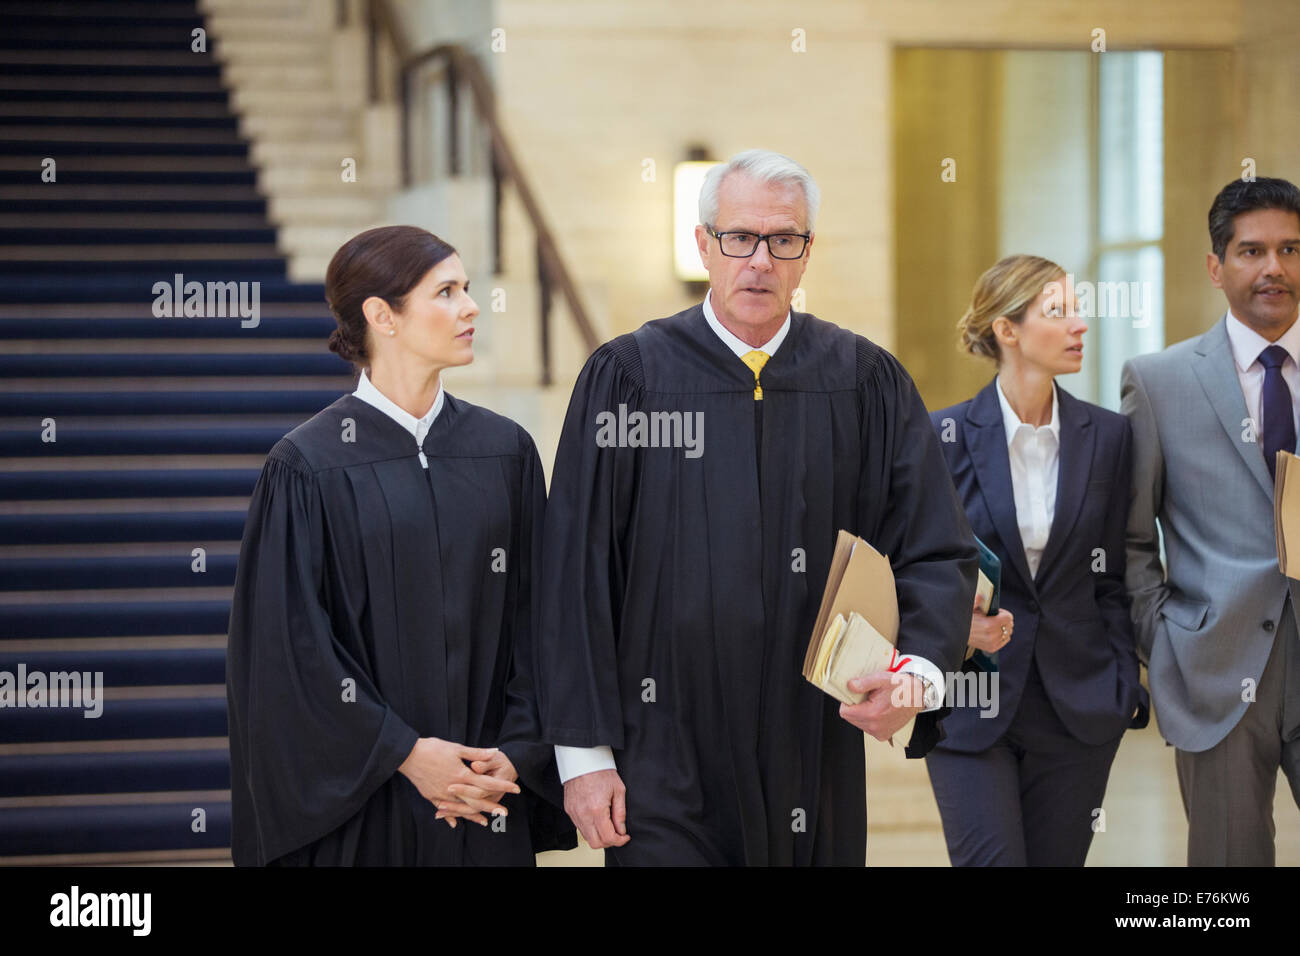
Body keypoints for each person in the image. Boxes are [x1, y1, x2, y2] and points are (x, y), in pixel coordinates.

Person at [535, 149, 978, 866]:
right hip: (664, 746)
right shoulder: (629, 377)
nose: (760, 261)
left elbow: (936, 546)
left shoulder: (864, 382)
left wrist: (916, 672)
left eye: (784, 241)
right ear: (704, 244)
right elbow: (575, 568)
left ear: (807, 254)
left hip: (812, 743)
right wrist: (584, 754)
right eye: (739, 238)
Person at [226, 225, 573, 865]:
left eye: (468, 289)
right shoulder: (306, 466)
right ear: (381, 315)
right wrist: (406, 755)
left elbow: (543, 619)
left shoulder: (506, 452)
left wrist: (516, 750)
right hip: (365, 807)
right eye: (446, 292)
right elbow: (288, 646)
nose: (472, 307)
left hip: (485, 796)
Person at [925, 255, 1148, 866]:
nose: (1080, 324)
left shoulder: (1107, 437)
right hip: (970, 702)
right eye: (1059, 311)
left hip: (1079, 707)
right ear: (1007, 328)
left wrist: (1124, 682)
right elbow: (912, 569)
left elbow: (1112, 575)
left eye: (1078, 310)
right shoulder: (939, 437)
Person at [1123, 176, 1300, 866]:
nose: (1274, 268)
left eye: (1290, 249)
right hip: (1216, 669)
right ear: (1216, 267)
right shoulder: (1160, 381)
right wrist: (1166, 644)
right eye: (1252, 251)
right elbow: (1132, 539)